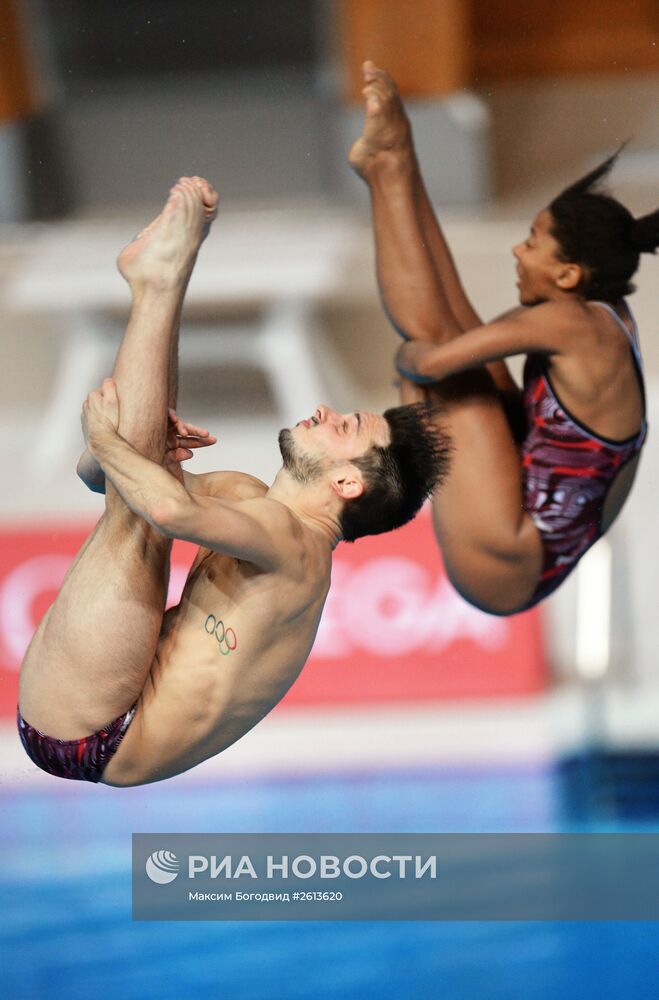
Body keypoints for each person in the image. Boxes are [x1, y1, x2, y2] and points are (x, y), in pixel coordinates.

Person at [17, 177, 447, 787]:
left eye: (344, 426)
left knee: (144, 505)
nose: (324, 412)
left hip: (99, 730)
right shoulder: (251, 498)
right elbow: (103, 481)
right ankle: (165, 279)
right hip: (94, 697)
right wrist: (119, 451)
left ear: (348, 482)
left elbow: (162, 508)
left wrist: (110, 440)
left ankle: (162, 283)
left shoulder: (298, 548)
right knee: (145, 481)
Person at [349, 61, 657, 616]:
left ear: (569, 274)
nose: (518, 251)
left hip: (508, 559)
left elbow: (431, 359)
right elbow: (457, 323)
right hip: (534, 526)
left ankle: (391, 165)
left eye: (533, 241)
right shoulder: (602, 312)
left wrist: (407, 365)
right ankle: (397, 160)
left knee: (445, 368)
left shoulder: (571, 323)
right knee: (460, 333)